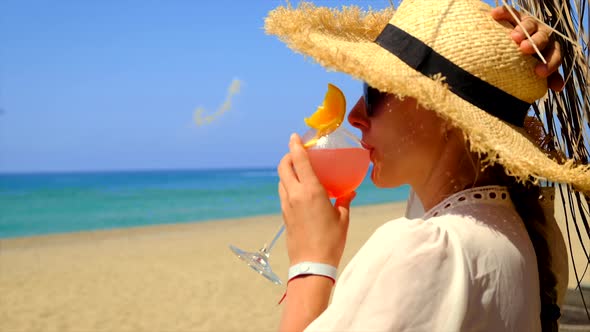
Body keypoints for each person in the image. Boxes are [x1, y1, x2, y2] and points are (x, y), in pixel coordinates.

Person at [265, 0, 590, 331]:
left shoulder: (424, 252)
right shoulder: (517, 235)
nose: (355, 116)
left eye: (374, 89)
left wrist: (311, 261)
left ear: (447, 113)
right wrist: (505, 66)